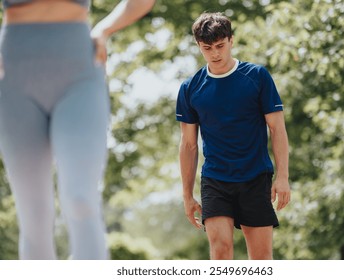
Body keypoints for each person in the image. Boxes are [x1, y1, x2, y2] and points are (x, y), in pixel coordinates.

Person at [0, 0, 155, 259]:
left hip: (79, 69)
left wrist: (104, 29)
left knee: (80, 199)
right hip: (14, 75)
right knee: (33, 214)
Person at [176, 12, 291, 260]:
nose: (215, 53)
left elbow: (277, 129)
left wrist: (282, 177)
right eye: (207, 48)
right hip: (216, 179)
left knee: (260, 260)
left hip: (255, 177)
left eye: (220, 46)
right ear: (198, 46)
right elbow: (188, 145)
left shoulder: (257, 77)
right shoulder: (190, 88)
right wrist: (187, 195)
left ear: (231, 40)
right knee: (220, 251)